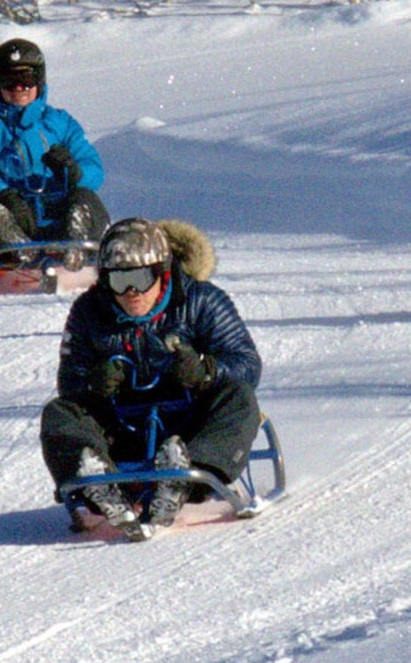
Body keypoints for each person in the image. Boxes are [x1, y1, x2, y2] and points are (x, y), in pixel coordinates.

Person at [39, 217, 263, 540]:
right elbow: (70, 381)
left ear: (162, 272)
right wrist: (93, 383)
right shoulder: (89, 313)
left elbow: (247, 364)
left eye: (141, 278)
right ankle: (98, 481)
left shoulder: (200, 302)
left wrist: (205, 371)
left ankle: (184, 479)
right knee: (60, 413)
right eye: (119, 281)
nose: (131, 292)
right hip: (122, 429)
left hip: (189, 427)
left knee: (239, 398)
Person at [0, 38, 111, 260]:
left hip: (57, 210)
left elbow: (93, 167)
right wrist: (3, 193)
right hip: (11, 210)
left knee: (84, 197)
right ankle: (13, 245)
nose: (19, 88)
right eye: (9, 81)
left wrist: (74, 172)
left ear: (39, 81)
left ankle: (75, 245)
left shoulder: (59, 122)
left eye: (26, 80)